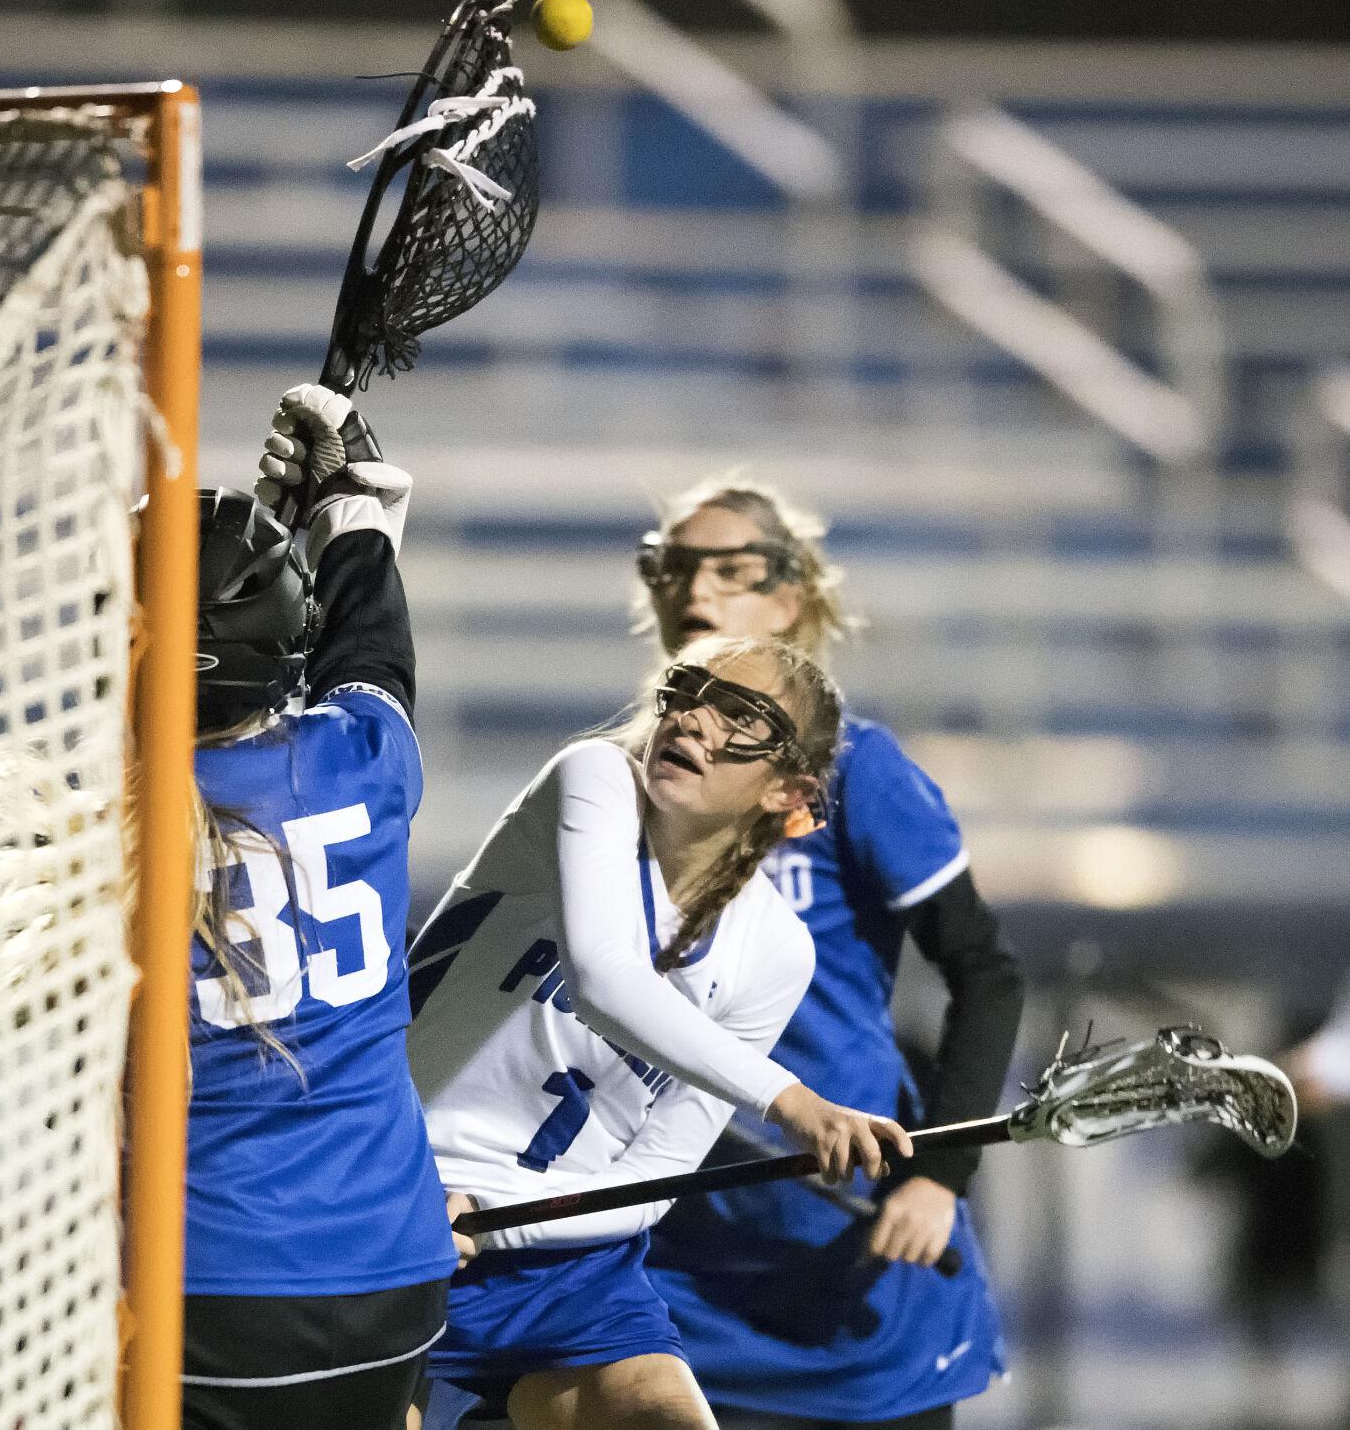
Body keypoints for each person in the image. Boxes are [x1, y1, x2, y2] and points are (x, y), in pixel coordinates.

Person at [407, 634, 914, 1430]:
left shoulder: (777, 950)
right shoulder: (596, 776)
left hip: (558, 1253)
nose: (695, 721)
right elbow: (606, 981)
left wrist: (493, 1212)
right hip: (392, 1189)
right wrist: (789, 1099)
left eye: (741, 712)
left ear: (788, 790)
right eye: (687, 691)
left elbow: (657, 1174)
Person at [639, 479, 1025, 1430]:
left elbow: (986, 970)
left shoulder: (856, 768)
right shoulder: (615, 779)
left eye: (733, 571)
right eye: (677, 568)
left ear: (792, 600)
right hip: (675, 1270)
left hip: (855, 1268)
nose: (698, 592)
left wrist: (940, 1176)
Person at [178, 385, 455, 1429]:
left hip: (199, 1278)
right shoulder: (360, 763)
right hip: (392, 1269)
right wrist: (348, 524)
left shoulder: (91, 828)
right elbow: (372, 656)